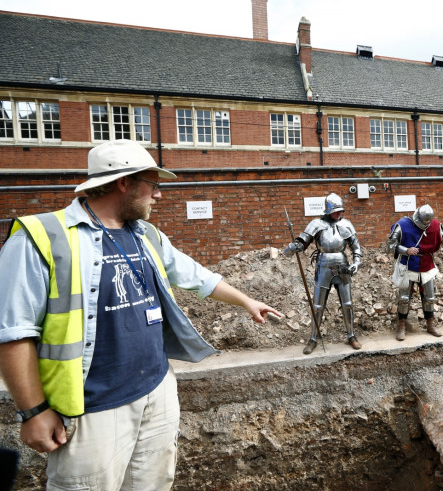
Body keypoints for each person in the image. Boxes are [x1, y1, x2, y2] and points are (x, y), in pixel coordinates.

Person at [0, 139, 281, 491]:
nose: (159, 195)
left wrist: (246, 302)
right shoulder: (40, 237)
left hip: (156, 390)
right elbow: (14, 333)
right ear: (124, 183)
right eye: (153, 184)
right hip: (94, 408)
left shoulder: (145, 234)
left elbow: (195, 275)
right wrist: (34, 411)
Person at [283, 193, 362, 354]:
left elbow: (356, 247)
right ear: (328, 210)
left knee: (347, 304)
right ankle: (313, 338)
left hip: (342, 266)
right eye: (336, 211)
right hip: (324, 267)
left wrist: (356, 263)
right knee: (318, 306)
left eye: (341, 211)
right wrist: (295, 246)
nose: (339, 214)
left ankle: (351, 335)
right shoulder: (316, 224)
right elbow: (303, 241)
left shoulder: (346, 224)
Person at [387, 204, 443, 341]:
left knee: (429, 298)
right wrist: (406, 250)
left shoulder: (436, 225)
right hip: (408, 264)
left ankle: (430, 325)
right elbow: (390, 245)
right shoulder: (402, 224)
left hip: (427, 264)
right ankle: (401, 326)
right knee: (404, 299)